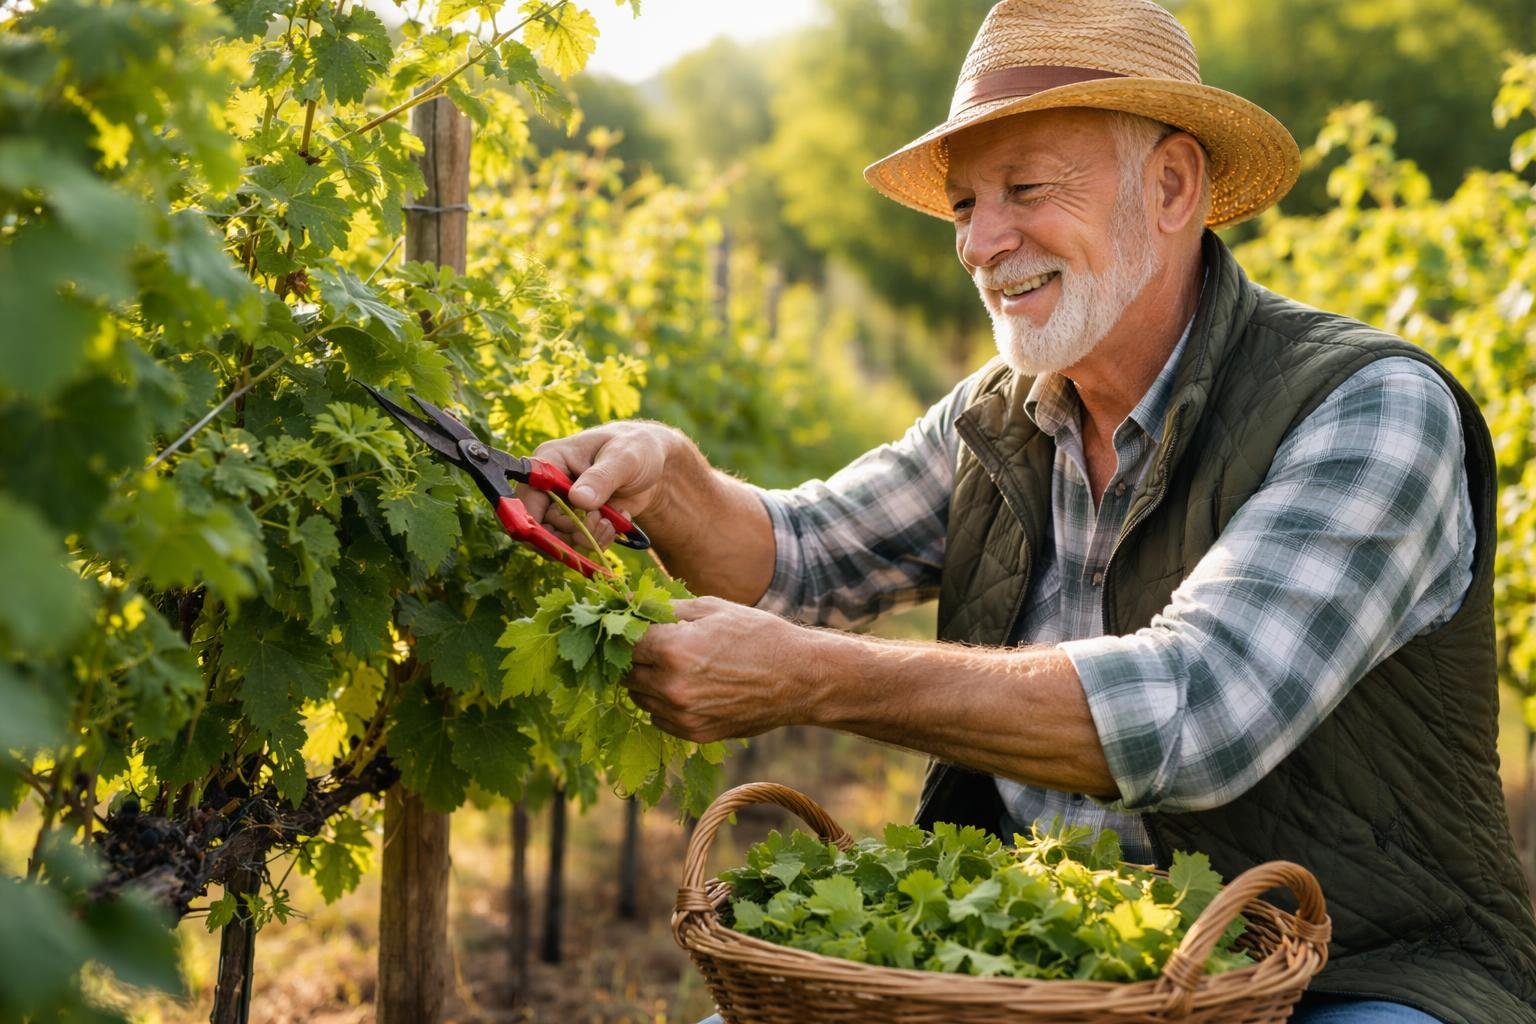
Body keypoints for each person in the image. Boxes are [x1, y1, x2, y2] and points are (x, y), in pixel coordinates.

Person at [523, 2, 1536, 1021]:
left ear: (1175, 186)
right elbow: (806, 557)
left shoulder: (1368, 407)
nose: (981, 241)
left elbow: (1193, 710)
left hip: (1352, 971)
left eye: (1026, 189)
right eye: (966, 203)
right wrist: (671, 477)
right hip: (1051, 958)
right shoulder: (1004, 414)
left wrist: (814, 680)